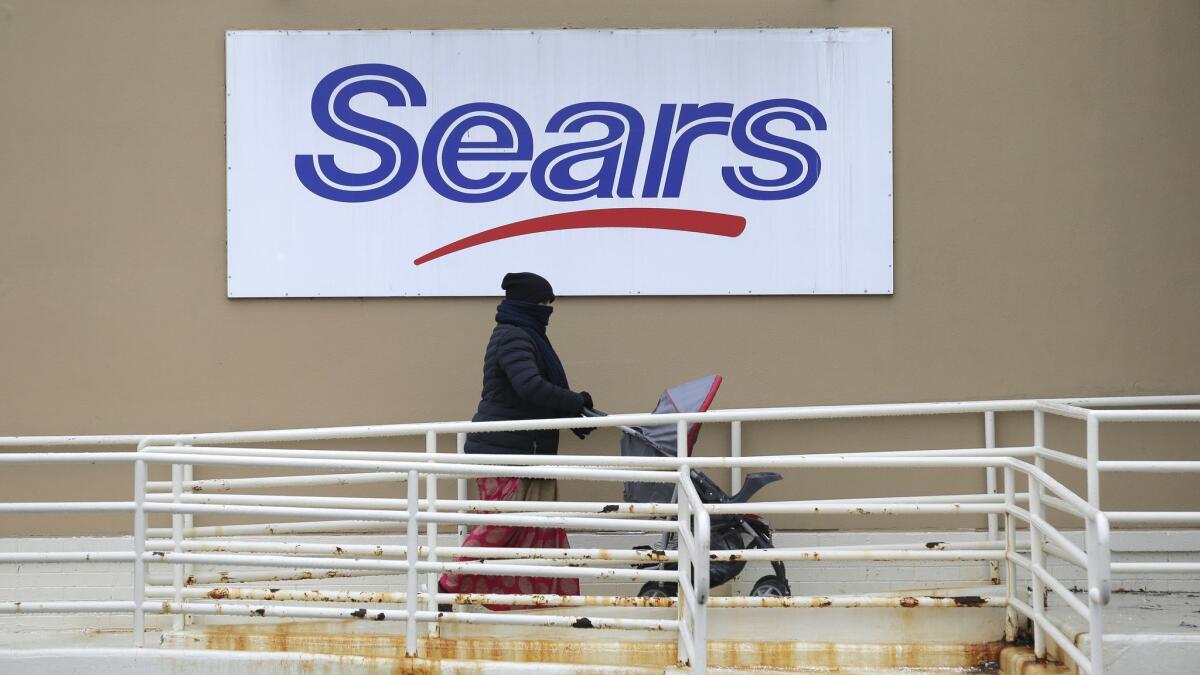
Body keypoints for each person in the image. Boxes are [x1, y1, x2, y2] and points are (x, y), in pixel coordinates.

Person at [438, 272, 596, 610]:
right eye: (543, 303)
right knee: (502, 525)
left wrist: (577, 407)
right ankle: (445, 583)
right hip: (504, 452)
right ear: (527, 303)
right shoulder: (513, 335)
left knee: (534, 527)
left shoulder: (521, 333)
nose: (547, 310)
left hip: (519, 450)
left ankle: (536, 601)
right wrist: (575, 401)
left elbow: (530, 389)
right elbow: (529, 386)